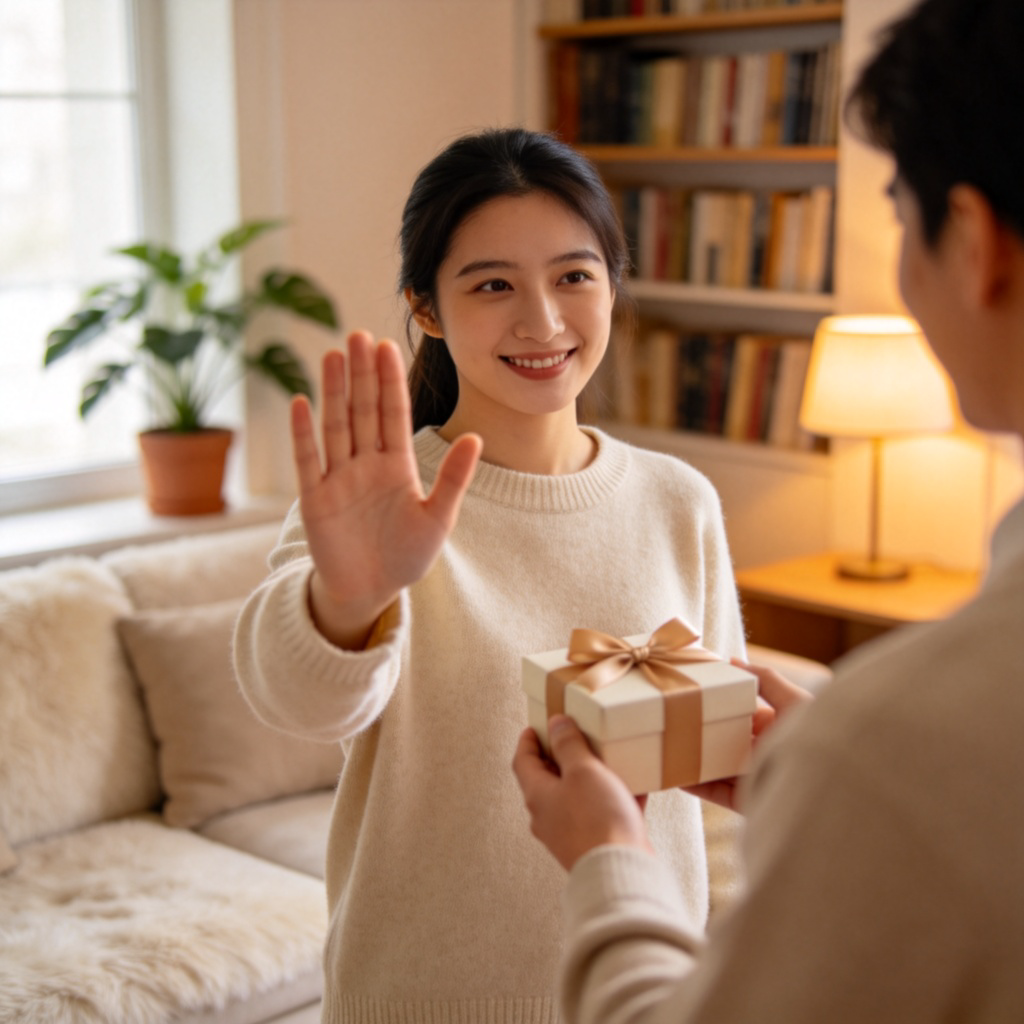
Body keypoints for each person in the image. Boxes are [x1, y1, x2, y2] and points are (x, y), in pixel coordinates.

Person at [512, 0, 1024, 1021]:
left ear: (971, 240)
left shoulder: (896, 743)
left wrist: (609, 859)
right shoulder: (883, 747)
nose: (541, 319)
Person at [233, 127, 749, 1024]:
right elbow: (300, 704)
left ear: (614, 286)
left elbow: (711, 766)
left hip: (637, 992)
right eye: (493, 285)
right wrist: (348, 598)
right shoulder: (385, 505)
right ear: (425, 309)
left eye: (575, 276)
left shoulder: (680, 501)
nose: (543, 322)